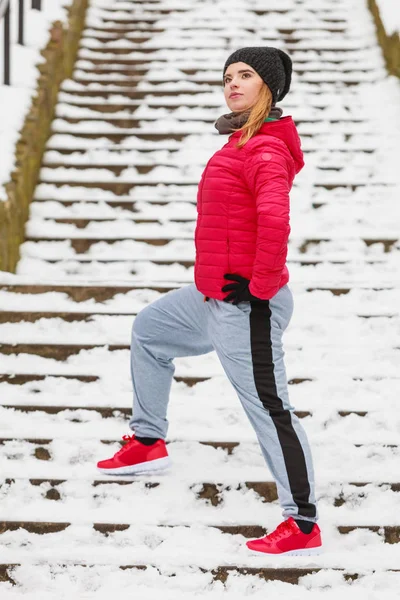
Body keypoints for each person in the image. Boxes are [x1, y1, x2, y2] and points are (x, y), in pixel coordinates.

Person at [97, 47, 322, 556]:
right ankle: (148, 441)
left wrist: (260, 286)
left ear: (270, 87)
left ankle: (303, 522)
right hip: (213, 296)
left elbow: (276, 219)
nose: (233, 84)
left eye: (245, 75)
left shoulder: (264, 149)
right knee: (151, 331)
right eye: (227, 76)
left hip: (248, 305)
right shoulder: (240, 142)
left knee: (268, 407)